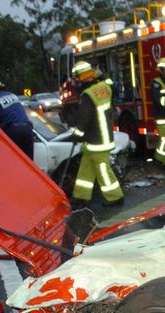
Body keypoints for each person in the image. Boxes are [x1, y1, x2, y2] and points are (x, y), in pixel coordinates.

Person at [70, 60, 123, 207]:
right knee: (86, 168)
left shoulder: (87, 95)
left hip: (96, 140)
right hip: (102, 137)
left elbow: (84, 118)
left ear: (80, 78)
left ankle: (115, 196)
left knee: (103, 170)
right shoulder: (104, 87)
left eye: (76, 78)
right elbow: (112, 86)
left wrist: (76, 134)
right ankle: (81, 196)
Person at [0, 77, 34, 160]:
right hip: (27, 130)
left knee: (13, 161)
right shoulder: (12, 95)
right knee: (28, 163)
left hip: (13, 131)